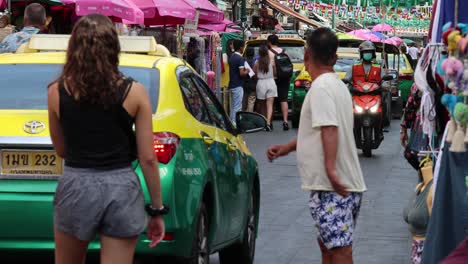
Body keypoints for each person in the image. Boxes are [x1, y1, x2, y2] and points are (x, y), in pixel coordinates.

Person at [47, 14, 165, 264]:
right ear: (114, 47)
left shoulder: (56, 91)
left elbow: (61, 149)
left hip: (76, 184)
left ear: (74, 47)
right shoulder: (135, 92)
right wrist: (156, 209)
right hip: (121, 187)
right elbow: (147, 158)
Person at [267, 28, 366, 264]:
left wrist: (331, 170)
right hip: (336, 184)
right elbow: (318, 131)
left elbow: (330, 129)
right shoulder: (337, 85)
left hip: (332, 185)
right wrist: (288, 147)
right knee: (328, 247)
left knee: (339, 250)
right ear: (334, 57)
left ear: (307, 53)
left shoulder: (321, 87)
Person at [267, 34, 291, 131]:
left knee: (271, 101)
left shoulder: (268, 53)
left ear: (269, 42)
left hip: (273, 79)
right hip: (284, 79)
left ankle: (270, 122)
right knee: (283, 100)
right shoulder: (285, 52)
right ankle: (285, 121)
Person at [253, 44, 277, 131]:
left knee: (262, 105)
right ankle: (268, 123)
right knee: (270, 105)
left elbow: (254, 74)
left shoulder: (257, 62)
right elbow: (275, 73)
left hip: (261, 83)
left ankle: (264, 122)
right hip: (270, 82)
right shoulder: (271, 62)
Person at [228, 39, 249, 123]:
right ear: (241, 47)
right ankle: (235, 124)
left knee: (233, 106)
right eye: (243, 46)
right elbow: (241, 73)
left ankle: (231, 122)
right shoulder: (240, 58)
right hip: (238, 85)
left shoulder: (232, 57)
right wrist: (247, 71)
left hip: (232, 83)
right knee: (237, 106)